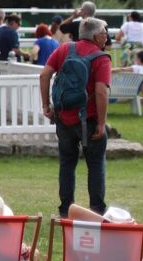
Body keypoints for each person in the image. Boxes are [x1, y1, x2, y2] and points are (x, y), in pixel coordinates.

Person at [39, 16, 111, 216]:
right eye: (104, 32)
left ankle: (66, 210)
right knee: (95, 166)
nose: (106, 36)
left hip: (64, 117)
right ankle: (96, 211)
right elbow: (101, 92)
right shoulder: (101, 57)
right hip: (89, 118)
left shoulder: (64, 49)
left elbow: (44, 75)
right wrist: (102, 123)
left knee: (67, 165)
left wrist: (47, 105)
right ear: (96, 36)